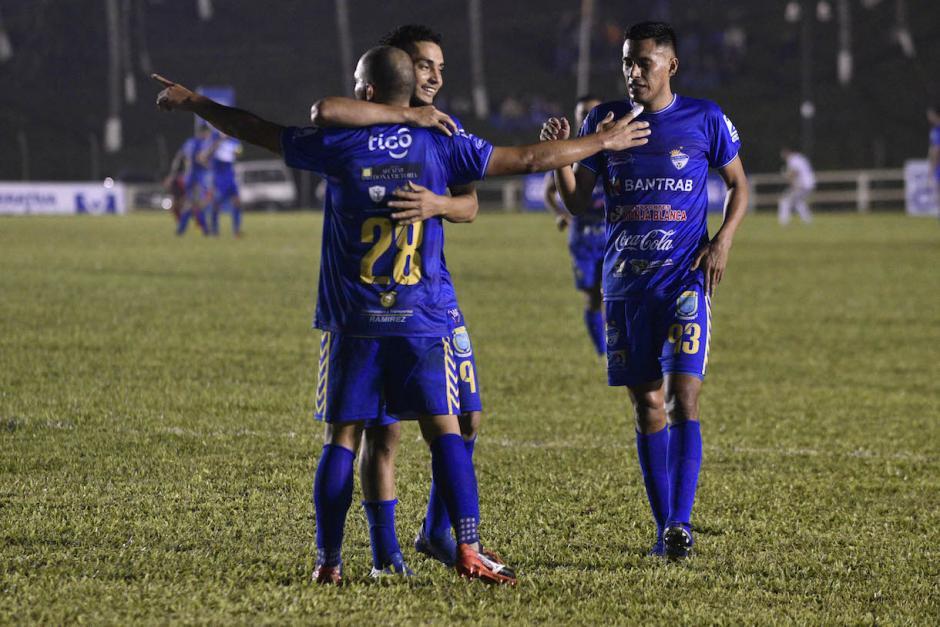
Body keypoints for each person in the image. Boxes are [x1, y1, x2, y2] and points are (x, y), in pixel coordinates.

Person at [153, 45, 650, 584]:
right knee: (446, 432)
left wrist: (195, 102)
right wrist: (604, 141)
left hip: (353, 320)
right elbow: (528, 160)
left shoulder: (337, 142)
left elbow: (253, 127)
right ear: (408, 84)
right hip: (420, 317)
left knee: (343, 438)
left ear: (365, 90)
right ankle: (467, 548)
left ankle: (328, 562)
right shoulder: (440, 139)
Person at [542, 21, 748, 559]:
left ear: (670, 66)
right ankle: (665, 529)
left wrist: (723, 239)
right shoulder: (604, 120)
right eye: (628, 63)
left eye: (644, 63)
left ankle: (679, 525)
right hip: (626, 285)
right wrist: (565, 157)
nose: (633, 72)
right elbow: (577, 203)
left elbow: (740, 185)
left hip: (684, 280)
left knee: (684, 398)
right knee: (647, 406)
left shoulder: (705, 117)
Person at [310, 23, 488, 576]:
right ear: (399, 71)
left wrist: (437, 203)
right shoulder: (382, 128)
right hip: (399, 306)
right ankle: (387, 553)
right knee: (382, 434)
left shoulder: (443, 130)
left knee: (467, 418)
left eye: (438, 67)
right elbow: (328, 111)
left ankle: (434, 531)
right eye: (424, 66)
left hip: (433, 297)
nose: (433, 76)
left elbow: (471, 205)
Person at [544, 94, 607, 357]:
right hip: (582, 238)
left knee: (614, 294)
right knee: (592, 295)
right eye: (582, 112)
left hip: (611, 235)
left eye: (592, 112)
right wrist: (563, 215)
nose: (586, 117)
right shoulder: (570, 151)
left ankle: (617, 349)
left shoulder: (612, 149)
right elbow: (550, 191)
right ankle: (601, 351)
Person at [200, 132, 244, 237]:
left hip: (230, 174)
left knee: (237, 202)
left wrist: (237, 153)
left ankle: (236, 231)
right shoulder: (214, 137)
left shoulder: (234, 140)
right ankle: (214, 230)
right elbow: (203, 157)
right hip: (219, 175)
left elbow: (237, 153)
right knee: (216, 204)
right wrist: (217, 144)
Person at [175, 125, 214, 236]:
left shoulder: (189, 142)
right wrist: (208, 165)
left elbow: (180, 156)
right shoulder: (200, 143)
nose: (208, 136)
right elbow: (199, 158)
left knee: (192, 203)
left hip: (188, 176)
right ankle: (205, 230)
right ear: (203, 133)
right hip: (196, 178)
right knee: (197, 204)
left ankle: (182, 230)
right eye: (207, 134)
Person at [778, 146, 814, 225]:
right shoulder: (799, 157)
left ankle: (784, 222)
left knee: (785, 201)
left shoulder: (793, 160)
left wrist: (786, 175)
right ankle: (807, 221)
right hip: (809, 183)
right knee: (799, 202)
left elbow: (794, 172)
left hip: (802, 184)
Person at [927, 105, 940, 203]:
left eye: (930, 114)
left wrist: (933, 165)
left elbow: (936, 149)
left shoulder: (937, 130)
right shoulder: (934, 129)